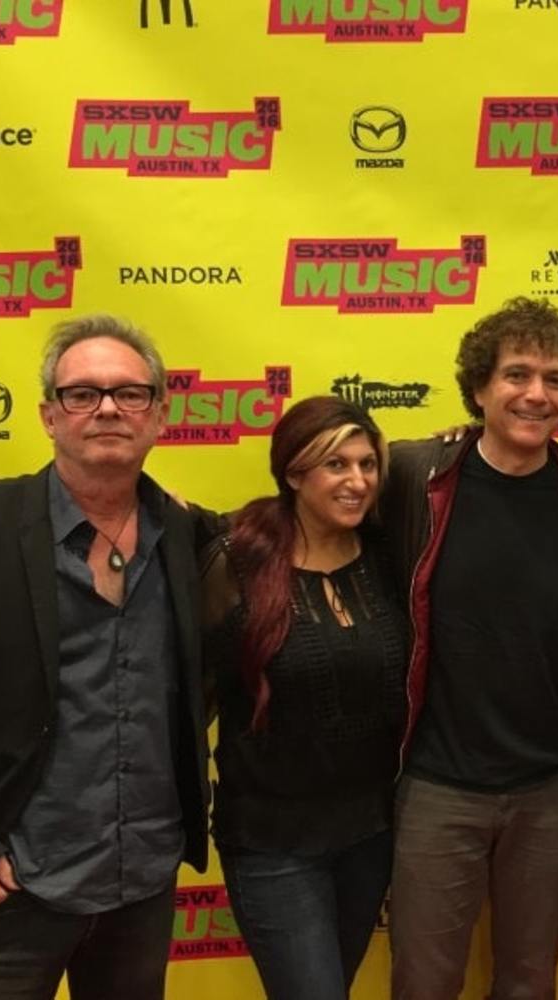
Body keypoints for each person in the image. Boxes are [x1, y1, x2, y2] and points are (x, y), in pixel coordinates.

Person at [0, 315, 211, 1000]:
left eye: (130, 393)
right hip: (7, 888)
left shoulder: (190, 537)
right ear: (50, 415)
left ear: (159, 414)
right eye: (82, 394)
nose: (108, 407)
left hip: (140, 883)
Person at [382, 297, 558, 1000]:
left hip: (549, 790)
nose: (536, 394)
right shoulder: (412, 479)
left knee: (528, 983)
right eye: (516, 374)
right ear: (480, 388)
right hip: (435, 785)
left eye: (554, 379)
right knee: (424, 985)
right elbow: (312, 519)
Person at [200, 396, 407, 1000]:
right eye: (336, 465)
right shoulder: (237, 560)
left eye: (368, 465)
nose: (358, 481)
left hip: (369, 834)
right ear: (293, 474)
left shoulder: (388, 558)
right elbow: (187, 692)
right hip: (272, 840)